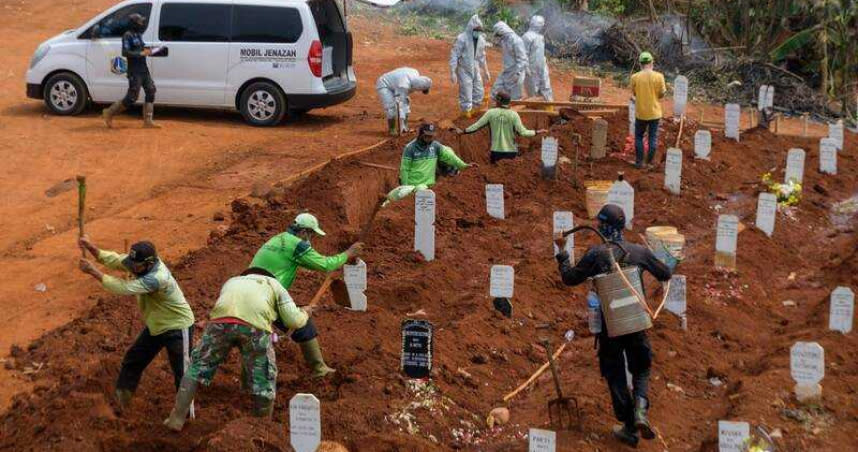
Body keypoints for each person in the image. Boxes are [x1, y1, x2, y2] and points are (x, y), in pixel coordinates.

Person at [553, 204, 672, 448]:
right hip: (637, 322)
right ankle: (640, 409)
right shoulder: (638, 251)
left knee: (614, 373)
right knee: (641, 367)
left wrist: (562, 252)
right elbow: (665, 273)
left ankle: (629, 426)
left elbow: (569, 278)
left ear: (601, 226)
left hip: (610, 328)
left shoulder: (596, 254)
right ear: (622, 226)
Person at [163, 267, 310, 431]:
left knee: (197, 366)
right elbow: (293, 321)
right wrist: (304, 313)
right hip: (254, 327)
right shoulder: (274, 284)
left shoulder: (232, 281)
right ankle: (261, 428)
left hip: (220, 322)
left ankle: (176, 418)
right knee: (263, 376)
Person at [78, 237, 195, 413]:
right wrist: (91, 248)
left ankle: (185, 416)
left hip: (177, 327)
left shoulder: (157, 278)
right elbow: (116, 260)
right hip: (157, 325)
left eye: (136, 266)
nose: (132, 268)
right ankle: (121, 403)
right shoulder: (138, 264)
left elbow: (124, 288)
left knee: (182, 373)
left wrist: (94, 272)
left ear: (149, 263)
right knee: (133, 360)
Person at [249, 213, 362, 378]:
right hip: (267, 294)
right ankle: (319, 369)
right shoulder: (297, 245)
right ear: (303, 232)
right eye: (311, 234)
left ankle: (252, 369)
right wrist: (348, 254)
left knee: (254, 333)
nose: (311, 239)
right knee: (303, 322)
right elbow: (325, 264)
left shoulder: (277, 239)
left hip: (248, 289)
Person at [386, 123, 472, 204]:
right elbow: (405, 168)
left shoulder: (435, 146)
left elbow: (451, 157)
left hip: (426, 186)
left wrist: (464, 166)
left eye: (431, 136)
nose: (429, 138)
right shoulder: (410, 148)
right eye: (427, 136)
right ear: (421, 135)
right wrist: (405, 186)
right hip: (410, 185)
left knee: (422, 191)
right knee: (394, 196)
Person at [102, 13, 160, 129]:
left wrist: (153, 50)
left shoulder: (138, 35)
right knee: (132, 97)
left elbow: (142, 47)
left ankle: (148, 121)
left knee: (151, 90)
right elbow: (125, 52)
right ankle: (109, 113)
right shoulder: (127, 36)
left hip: (143, 69)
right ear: (134, 24)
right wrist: (140, 53)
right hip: (135, 71)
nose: (142, 24)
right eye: (140, 22)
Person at [462, 91, 546, 163]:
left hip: (496, 152)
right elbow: (523, 132)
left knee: (495, 173)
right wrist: (537, 132)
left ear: (498, 101)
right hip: (511, 152)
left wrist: (463, 131)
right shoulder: (514, 114)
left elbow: (476, 126)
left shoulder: (490, 113)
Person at [630, 51, 666, 168]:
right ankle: (649, 161)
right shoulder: (659, 77)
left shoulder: (635, 77)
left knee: (639, 137)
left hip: (640, 113)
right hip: (655, 113)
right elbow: (661, 94)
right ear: (651, 63)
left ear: (640, 64)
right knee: (652, 137)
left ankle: (639, 162)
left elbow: (635, 93)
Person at [450, 14, 491, 119]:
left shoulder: (481, 40)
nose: (478, 32)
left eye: (479, 30)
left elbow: (482, 56)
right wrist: (453, 71)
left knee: (479, 91)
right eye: (476, 30)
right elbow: (454, 54)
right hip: (464, 68)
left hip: (475, 67)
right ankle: (465, 113)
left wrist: (486, 71)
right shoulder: (462, 38)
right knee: (466, 91)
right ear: (471, 28)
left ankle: (474, 110)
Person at [376, 67, 433, 136]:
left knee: (406, 102)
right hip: (385, 85)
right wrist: (401, 126)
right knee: (391, 107)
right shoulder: (403, 85)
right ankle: (392, 129)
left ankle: (405, 127)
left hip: (397, 83)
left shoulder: (415, 72)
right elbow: (400, 104)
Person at [490, 21, 528, 101]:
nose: (499, 36)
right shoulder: (504, 40)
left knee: (515, 98)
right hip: (506, 70)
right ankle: (494, 111)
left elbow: (522, 59)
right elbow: (495, 42)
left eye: (499, 34)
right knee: (495, 91)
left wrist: (517, 74)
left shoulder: (517, 41)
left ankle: (512, 112)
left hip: (516, 72)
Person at [521, 15, 554, 101]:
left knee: (546, 85)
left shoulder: (540, 37)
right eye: (540, 24)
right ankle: (534, 107)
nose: (541, 26)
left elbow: (539, 51)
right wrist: (526, 67)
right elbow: (523, 53)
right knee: (533, 88)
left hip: (542, 65)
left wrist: (544, 60)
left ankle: (548, 105)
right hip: (532, 67)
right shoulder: (527, 37)